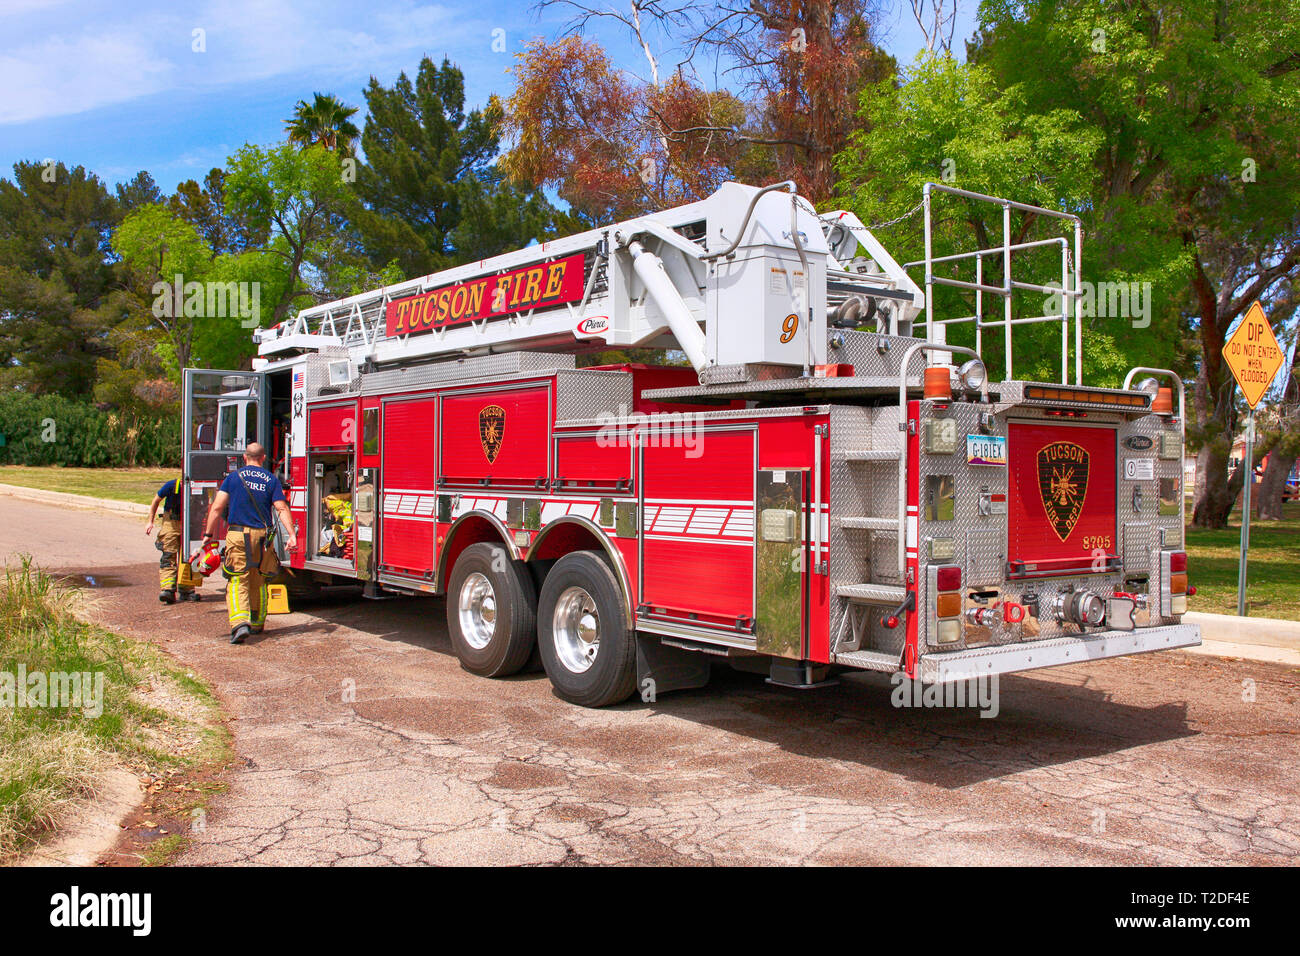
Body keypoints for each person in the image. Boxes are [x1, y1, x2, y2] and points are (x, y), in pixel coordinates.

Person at [203, 442, 298, 644]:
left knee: (239, 579)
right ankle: (256, 622)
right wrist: (291, 535)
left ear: (245, 458)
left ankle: (239, 624)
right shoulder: (271, 480)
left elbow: (217, 507)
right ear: (263, 458)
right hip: (264, 538)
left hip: (239, 535)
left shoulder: (233, 477)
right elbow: (281, 508)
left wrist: (208, 534)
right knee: (259, 580)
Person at [146, 475, 198, 604]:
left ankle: (186, 589)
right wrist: (150, 522)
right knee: (168, 555)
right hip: (171, 522)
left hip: (190, 523)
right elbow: (156, 500)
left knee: (190, 557)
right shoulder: (171, 485)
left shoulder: (197, 485)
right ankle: (167, 590)